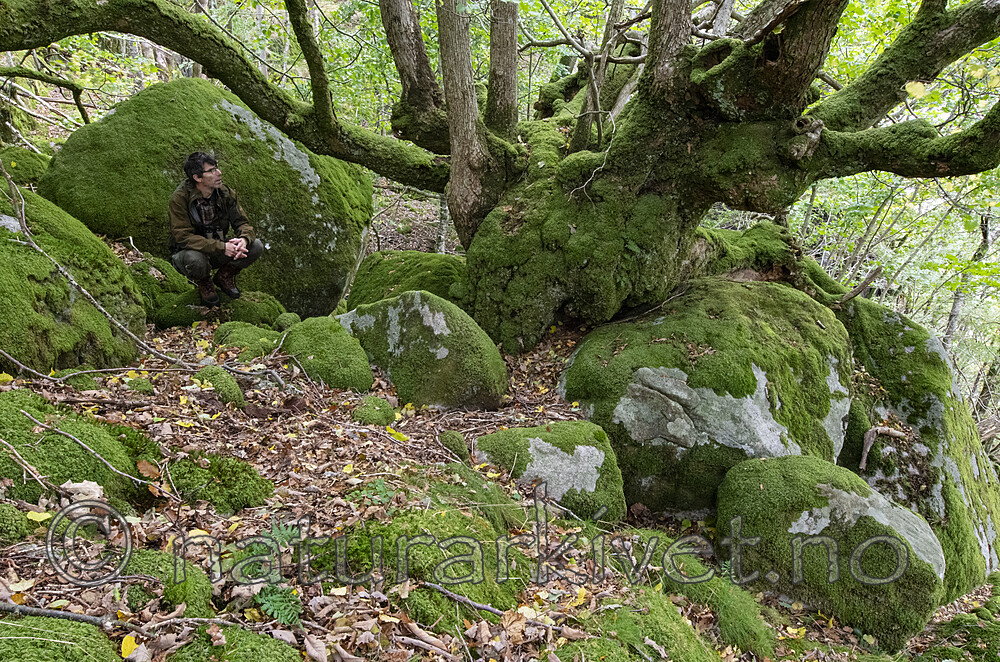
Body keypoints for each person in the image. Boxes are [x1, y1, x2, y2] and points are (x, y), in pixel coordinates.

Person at [168, 152, 264, 306]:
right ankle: (204, 282)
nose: (219, 173)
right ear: (197, 178)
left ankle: (224, 276)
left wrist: (244, 239)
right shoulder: (180, 199)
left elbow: (243, 223)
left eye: (217, 168)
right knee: (196, 260)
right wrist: (222, 247)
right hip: (188, 253)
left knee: (256, 246)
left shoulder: (225, 193)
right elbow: (183, 237)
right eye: (212, 171)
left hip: (217, 248)